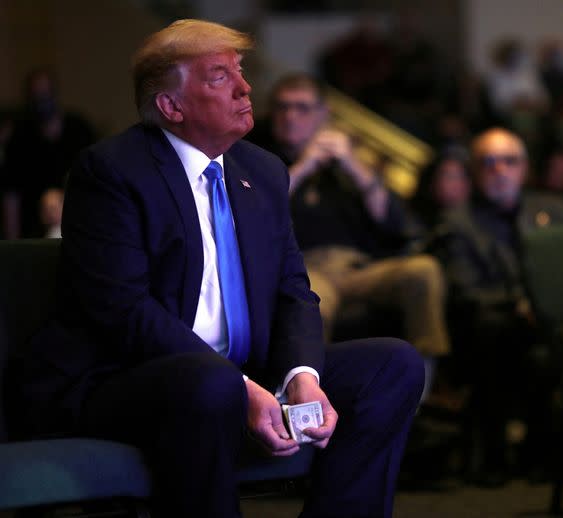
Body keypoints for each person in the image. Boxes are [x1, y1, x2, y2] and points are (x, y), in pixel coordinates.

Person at [6, 19, 424, 518]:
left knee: (392, 365)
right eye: (220, 76)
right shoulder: (111, 172)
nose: (247, 88)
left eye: (241, 71)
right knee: (213, 384)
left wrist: (301, 375)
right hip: (122, 379)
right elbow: (122, 311)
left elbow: (292, 288)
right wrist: (241, 386)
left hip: (237, 373)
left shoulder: (263, 171)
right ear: (171, 106)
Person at [249, 73, 450, 401]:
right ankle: (319, 402)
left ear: (323, 114)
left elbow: (392, 220)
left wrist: (352, 164)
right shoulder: (260, 160)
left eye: (302, 108)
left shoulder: (346, 165)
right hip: (305, 269)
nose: (290, 116)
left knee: (424, 270)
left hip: (358, 269)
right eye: (283, 107)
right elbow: (257, 213)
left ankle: (421, 393)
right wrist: (304, 164)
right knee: (311, 302)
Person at [426, 127, 563, 487]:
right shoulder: (458, 222)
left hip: (548, 323)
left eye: (509, 161)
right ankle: (495, 457)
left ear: (524, 168)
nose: (499, 170)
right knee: (495, 331)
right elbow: (466, 291)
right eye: (488, 162)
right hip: (488, 328)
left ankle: (543, 455)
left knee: (550, 346)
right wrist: (521, 305)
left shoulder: (552, 210)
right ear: (474, 172)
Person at [2, 68, 95, 238]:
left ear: (55, 93)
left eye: (45, 93)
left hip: (77, 225)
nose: (41, 100)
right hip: (32, 230)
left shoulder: (79, 130)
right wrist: (12, 244)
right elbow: (11, 196)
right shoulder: (20, 136)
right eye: (36, 95)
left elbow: (95, 183)